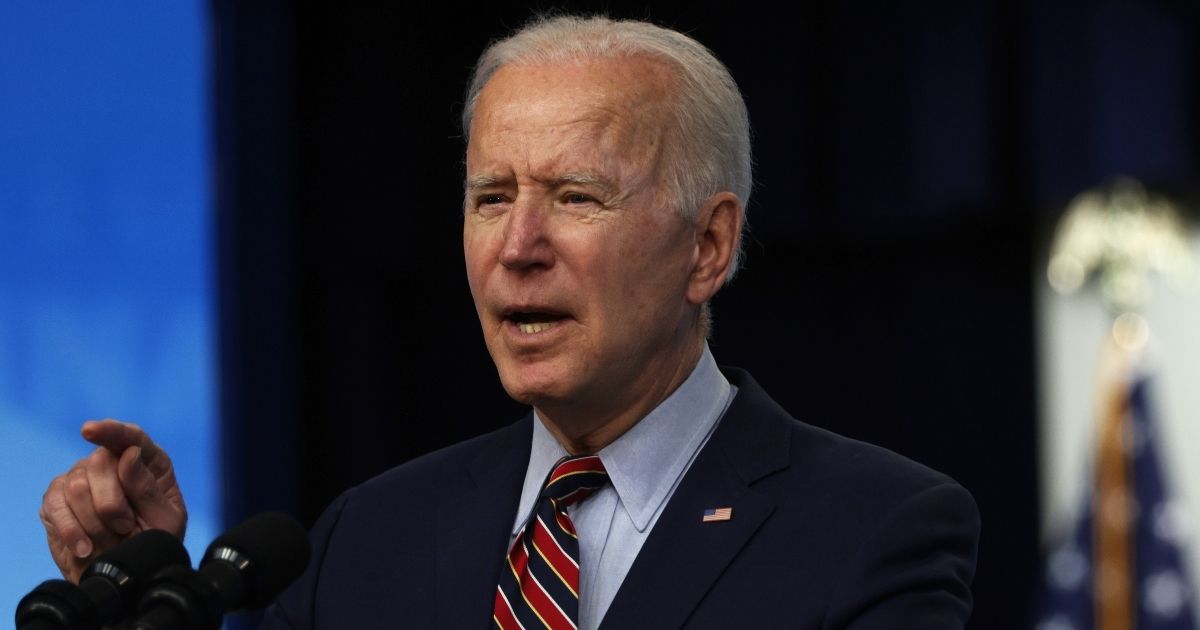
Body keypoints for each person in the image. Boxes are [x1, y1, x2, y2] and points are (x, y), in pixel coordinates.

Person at [38, 15, 980, 629]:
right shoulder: (365, 538)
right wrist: (148, 599)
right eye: (491, 197)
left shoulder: (874, 530)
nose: (518, 245)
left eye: (575, 197)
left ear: (708, 247)